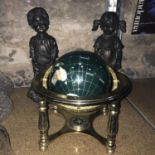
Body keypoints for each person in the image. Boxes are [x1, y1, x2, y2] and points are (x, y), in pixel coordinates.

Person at [27, 7, 59, 102]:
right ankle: (34, 92)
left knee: (50, 79)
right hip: (37, 65)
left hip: (49, 64)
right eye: (36, 23)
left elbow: (54, 52)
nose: (40, 25)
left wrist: (51, 62)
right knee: (38, 80)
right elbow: (32, 52)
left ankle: (49, 94)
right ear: (32, 25)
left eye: (42, 21)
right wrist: (35, 61)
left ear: (47, 22)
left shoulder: (51, 40)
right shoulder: (33, 40)